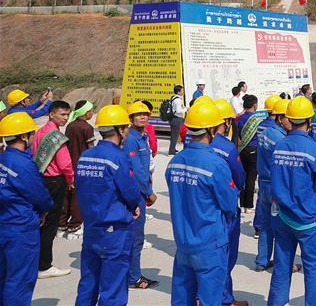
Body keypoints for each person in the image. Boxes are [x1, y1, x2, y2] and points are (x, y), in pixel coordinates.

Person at [165, 101, 239, 306]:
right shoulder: (216, 164)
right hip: (209, 243)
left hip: (183, 242)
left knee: (182, 298)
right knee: (210, 300)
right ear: (211, 129)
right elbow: (229, 204)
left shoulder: (175, 162)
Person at [73, 105, 141, 306]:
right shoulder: (118, 157)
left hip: (92, 226)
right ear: (120, 130)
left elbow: (81, 186)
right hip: (114, 231)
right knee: (113, 287)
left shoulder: (86, 156)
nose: (127, 132)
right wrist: (135, 205)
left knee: (89, 281)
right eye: (126, 128)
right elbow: (131, 191)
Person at [268, 96, 316, 306]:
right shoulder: (315, 150)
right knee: (312, 270)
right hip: (308, 220)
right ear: (309, 120)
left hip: (281, 216)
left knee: (282, 267)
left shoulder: (279, 146)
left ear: (289, 119)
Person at [0, 113, 53, 306]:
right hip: (20, 228)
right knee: (20, 279)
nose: (32, 137)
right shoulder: (23, 163)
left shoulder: (3, 158)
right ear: (23, 136)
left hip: (4, 223)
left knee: (4, 276)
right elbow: (39, 194)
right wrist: (46, 209)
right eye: (31, 133)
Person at [210, 100, 248, 306]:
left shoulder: (193, 144)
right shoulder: (227, 148)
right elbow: (240, 178)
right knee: (225, 256)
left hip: (203, 207)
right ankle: (225, 299)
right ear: (224, 122)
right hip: (226, 209)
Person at [33, 100, 73, 279]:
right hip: (55, 182)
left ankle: (36, 261)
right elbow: (65, 163)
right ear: (51, 114)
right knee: (50, 224)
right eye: (62, 114)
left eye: (67, 114)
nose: (65, 118)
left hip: (41, 179)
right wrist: (71, 180)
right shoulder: (56, 136)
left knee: (41, 221)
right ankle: (45, 265)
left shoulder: (40, 131)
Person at [122, 101, 159, 290]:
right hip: (136, 193)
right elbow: (136, 170)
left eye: (145, 114)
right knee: (135, 237)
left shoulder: (142, 136)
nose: (142, 116)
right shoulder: (131, 139)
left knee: (135, 236)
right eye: (138, 114)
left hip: (139, 192)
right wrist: (149, 192)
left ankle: (131, 273)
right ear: (131, 118)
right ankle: (133, 278)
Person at [255, 97, 289, 271]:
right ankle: (282, 264)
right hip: (275, 186)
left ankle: (262, 260)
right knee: (281, 227)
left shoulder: (266, 133)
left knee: (265, 226)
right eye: (287, 117)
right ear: (279, 118)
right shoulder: (280, 139)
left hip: (263, 183)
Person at [59, 100, 95, 239]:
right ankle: (74, 226)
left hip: (69, 163)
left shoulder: (70, 126)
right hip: (82, 166)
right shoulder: (87, 128)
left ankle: (61, 224)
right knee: (78, 197)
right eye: (91, 110)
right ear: (86, 113)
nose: (92, 113)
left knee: (67, 195)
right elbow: (91, 148)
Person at [235, 94, 264, 213]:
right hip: (254, 150)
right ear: (254, 105)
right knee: (251, 178)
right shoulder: (257, 119)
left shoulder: (239, 118)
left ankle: (242, 204)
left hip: (242, 150)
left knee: (243, 176)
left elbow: (238, 135)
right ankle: (249, 206)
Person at [168, 85, 186, 155]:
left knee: (174, 135)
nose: (183, 92)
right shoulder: (178, 100)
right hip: (176, 119)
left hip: (174, 118)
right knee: (174, 135)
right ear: (178, 91)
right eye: (182, 90)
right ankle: (171, 152)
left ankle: (173, 149)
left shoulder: (174, 98)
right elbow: (178, 111)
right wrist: (185, 109)